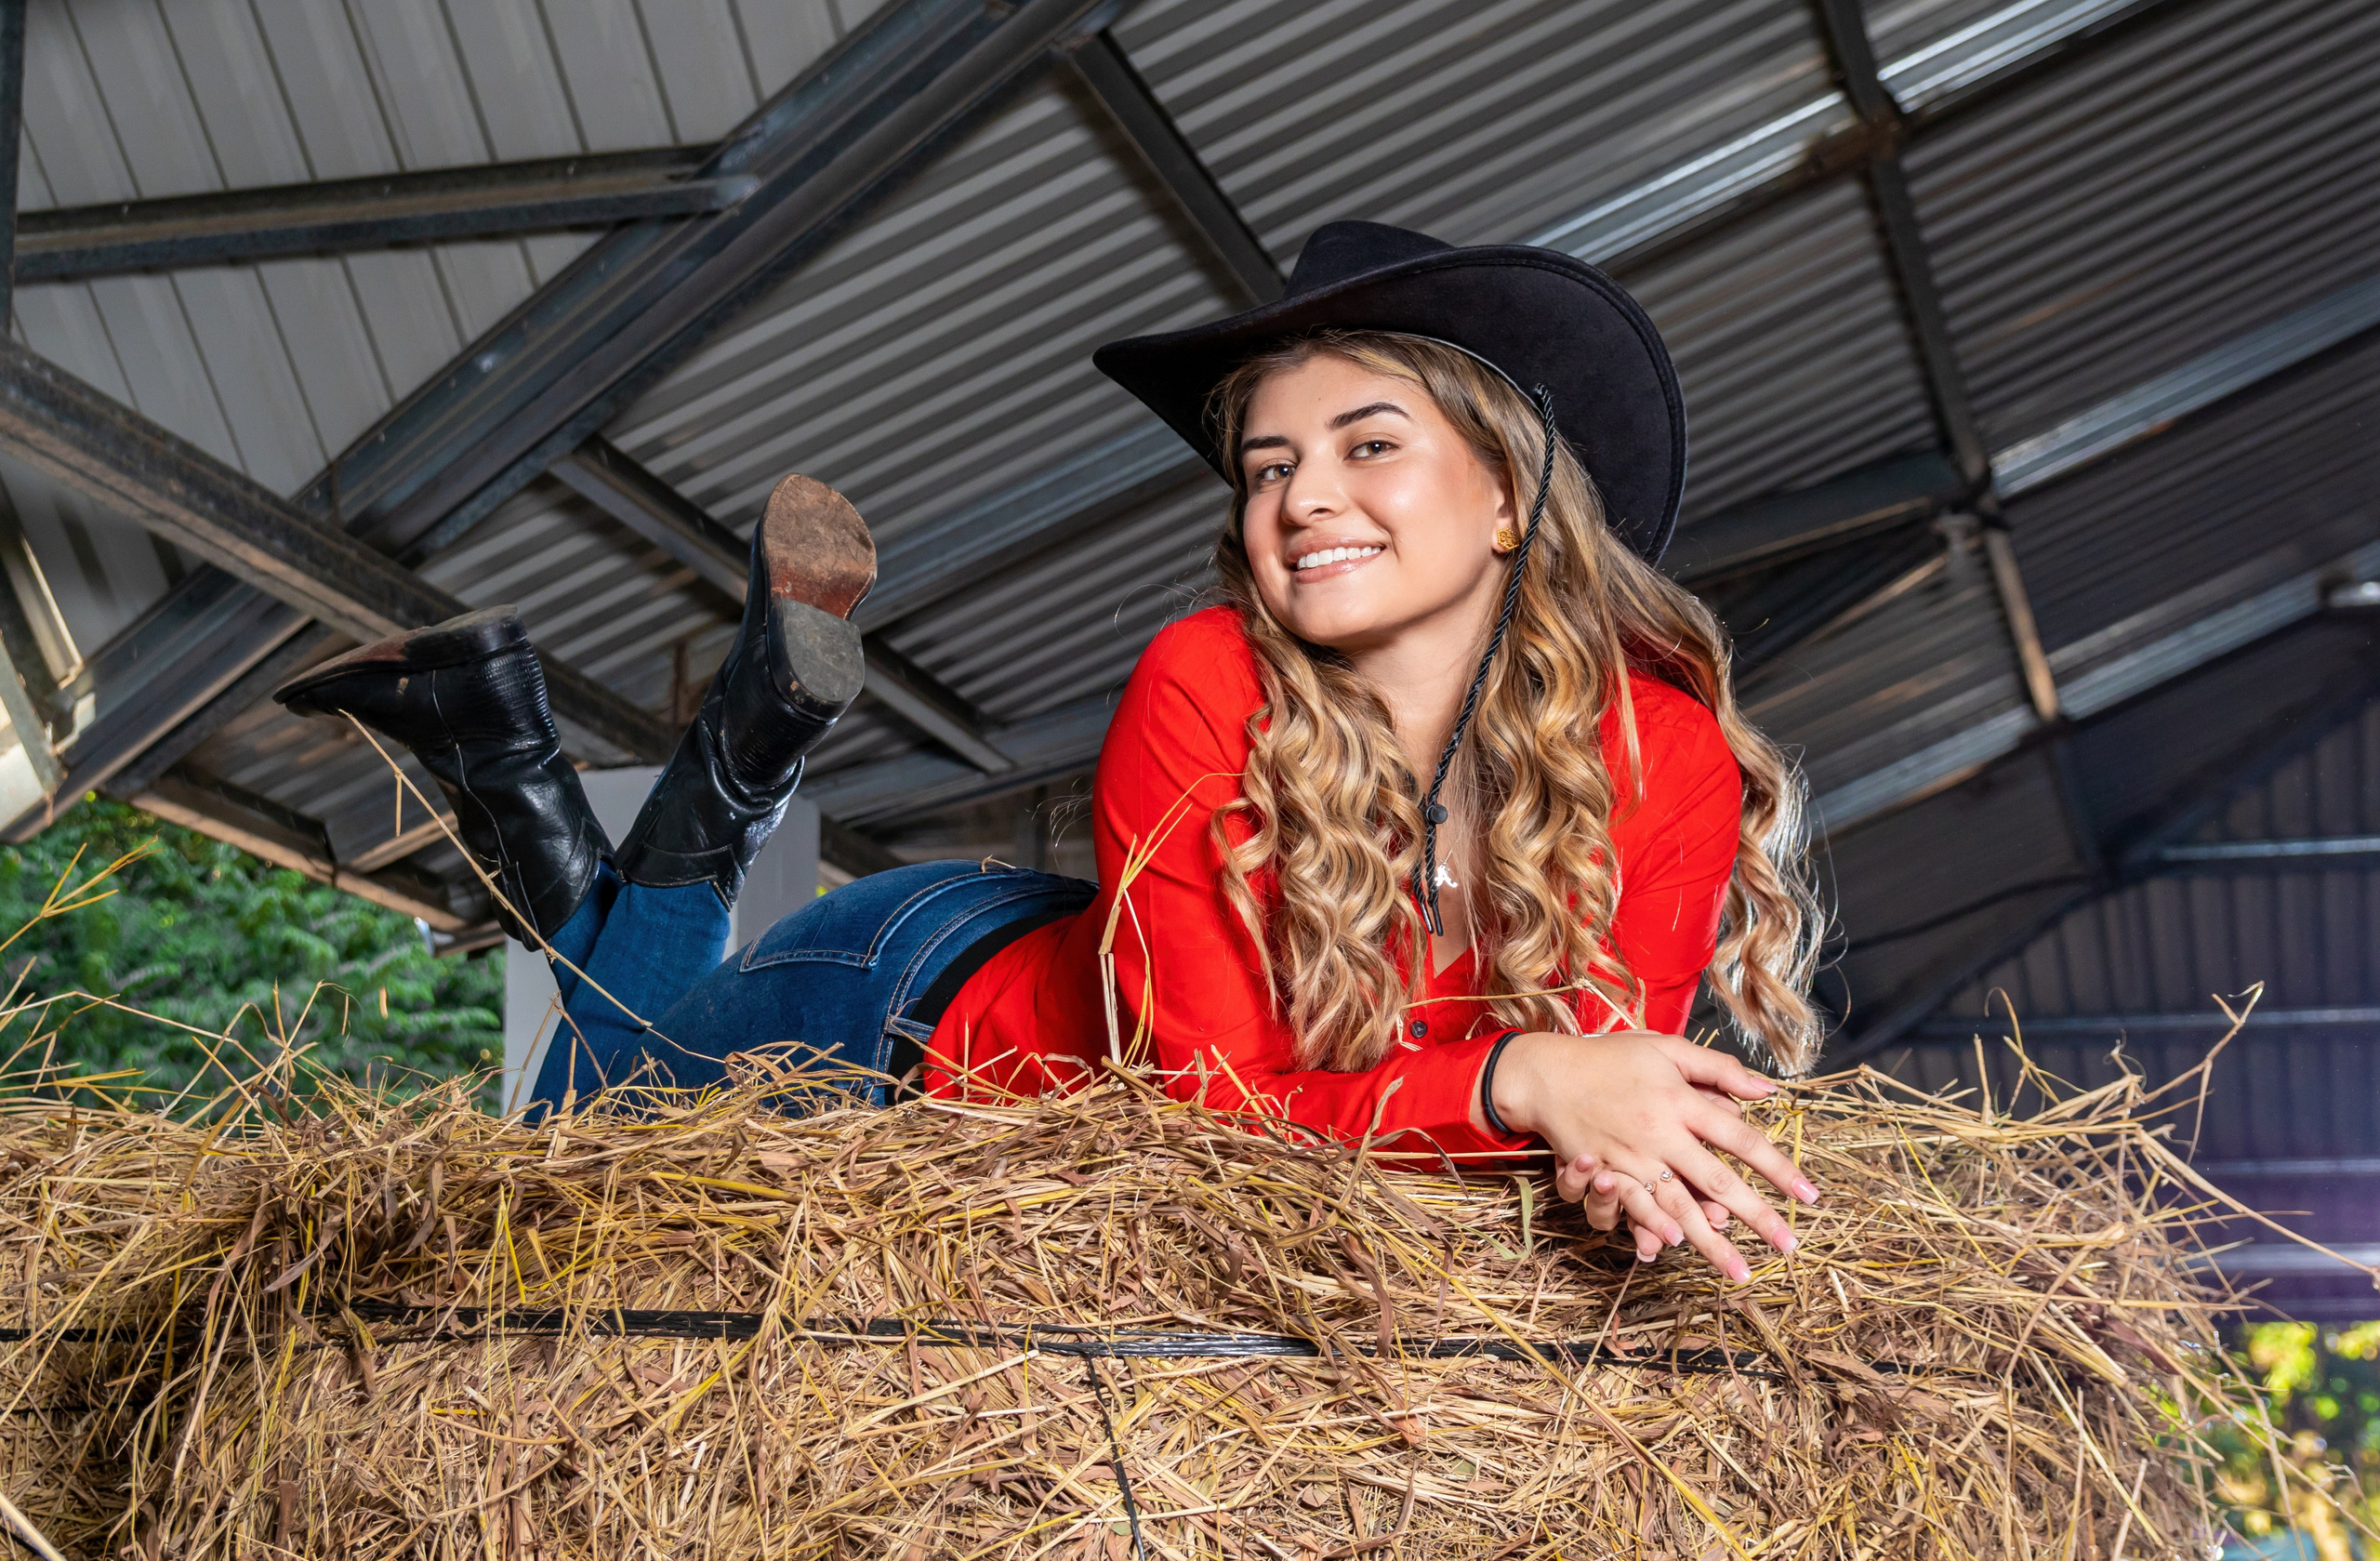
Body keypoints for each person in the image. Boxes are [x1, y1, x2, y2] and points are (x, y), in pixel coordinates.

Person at [278, 221, 1825, 1281]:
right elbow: (1213, 1121)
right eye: (1269, 463)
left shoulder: (1657, 746)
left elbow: (1604, 1080)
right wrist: (1517, 1082)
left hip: (1081, 976)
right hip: (909, 1024)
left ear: (1506, 494)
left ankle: (522, 731)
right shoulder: (1207, 673)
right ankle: (727, 754)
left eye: (1369, 444)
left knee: (588, 1055)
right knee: (564, 1165)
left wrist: (1615, 1157)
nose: (1298, 499)